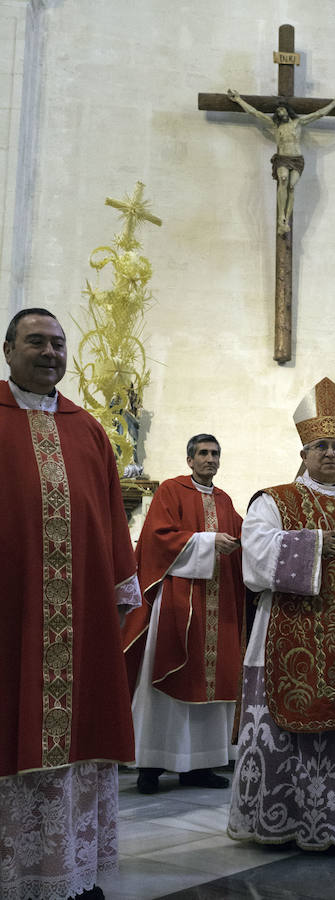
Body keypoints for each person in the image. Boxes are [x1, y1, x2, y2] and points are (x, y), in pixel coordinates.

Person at [227, 377, 335, 850]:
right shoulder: (274, 500)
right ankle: (277, 822)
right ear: (304, 452)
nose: (330, 454)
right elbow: (255, 556)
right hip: (283, 636)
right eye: (320, 446)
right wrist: (316, 544)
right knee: (283, 737)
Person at [0, 308, 141, 900]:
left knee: (81, 731)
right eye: (36, 342)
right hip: (10, 616)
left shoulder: (88, 430)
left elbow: (111, 518)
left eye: (58, 344)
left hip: (79, 622)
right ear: (8, 350)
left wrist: (119, 592)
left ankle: (72, 870)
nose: (50, 353)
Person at [123, 434, 245, 794]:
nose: (210, 459)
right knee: (164, 685)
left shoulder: (223, 500)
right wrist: (207, 542)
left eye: (215, 454)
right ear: (190, 459)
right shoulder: (171, 492)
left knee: (213, 688)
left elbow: (243, 534)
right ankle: (151, 764)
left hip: (218, 606)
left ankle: (200, 766)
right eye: (204, 454)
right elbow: (157, 539)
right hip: (179, 603)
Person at [227, 89, 335, 235]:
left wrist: (334, 103)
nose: (279, 112)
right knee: (283, 180)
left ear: (288, 111)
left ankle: (286, 219)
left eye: (281, 109)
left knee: (291, 186)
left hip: (297, 159)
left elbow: (318, 114)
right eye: (277, 111)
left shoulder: (298, 123)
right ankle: (280, 216)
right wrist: (238, 99)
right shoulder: (276, 125)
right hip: (283, 158)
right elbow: (255, 113)